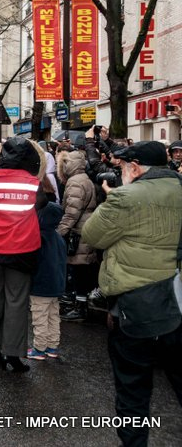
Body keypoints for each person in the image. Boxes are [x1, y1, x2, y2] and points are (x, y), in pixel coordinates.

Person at [82, 141, 182, 447]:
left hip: (136, 307)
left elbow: (92, 235)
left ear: (135, 168)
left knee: (133, 389)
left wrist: (114, 198)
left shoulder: (126, 197)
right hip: (177, 301)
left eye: (123, 167)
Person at [0, 137, 45, 373]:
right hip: (21, 248)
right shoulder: (33, 184)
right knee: (17, 300)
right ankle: (13, 354)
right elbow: (43, 203)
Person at [56, 149, 98, 322]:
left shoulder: (74, 182)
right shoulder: (85, 179)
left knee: (79, 270)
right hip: (87, 228)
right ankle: (81, 305)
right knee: (82, 270)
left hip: (79, 231)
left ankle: (80, 308)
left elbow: (72, 212)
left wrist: (60, 231)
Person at [27, 202, 67, 361]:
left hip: (41, 285)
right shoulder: (59, 238)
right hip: (56, 285)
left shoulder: (39, 237)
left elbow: (34, 261)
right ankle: (52, 346)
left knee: (40, 317)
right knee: (53, 316)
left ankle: (39, 348)